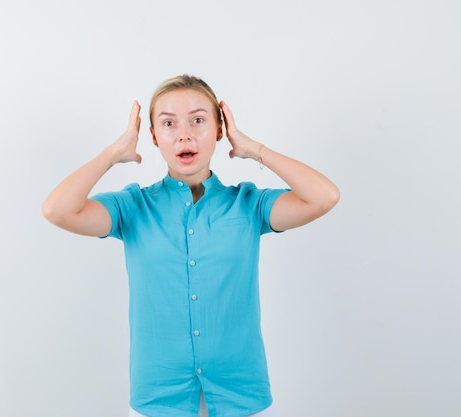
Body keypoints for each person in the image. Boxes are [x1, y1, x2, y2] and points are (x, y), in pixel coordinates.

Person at [42, 75, 340, 417]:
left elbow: (324, 197)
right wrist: (113, 153)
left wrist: (252, 148)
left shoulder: (248, 205)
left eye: (198, 120)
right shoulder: (132, 207)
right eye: (168, 123)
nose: (184, 134)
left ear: (219, 128)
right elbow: (57, 210)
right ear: (153, 137)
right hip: (158, 396)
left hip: (241, 394)